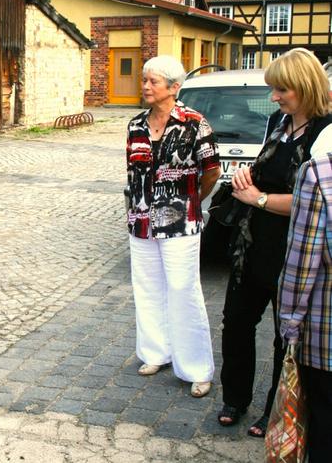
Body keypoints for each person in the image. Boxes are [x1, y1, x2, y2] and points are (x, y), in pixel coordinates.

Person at [217, 48, 332, 437]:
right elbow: (268, 171)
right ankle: (235, 397)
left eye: (281, 89)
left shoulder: (326, 131)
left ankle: (276, 409)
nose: (275, 97)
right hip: (253, 243)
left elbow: (313, 199)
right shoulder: (280, 122)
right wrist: (247, 179)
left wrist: (260, 199)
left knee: (286, 338)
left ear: (304, 85)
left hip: (293, 248)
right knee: (236, 322)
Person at [126, 55, 220, 398]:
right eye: (145, 80)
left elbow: (211, 171)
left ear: (174, 87)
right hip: (141, 222)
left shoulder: (194, 123)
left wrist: (192, 202)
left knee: (183, 290)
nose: (146, 86)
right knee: (147, 288)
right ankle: (155, 353)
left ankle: (196, 368)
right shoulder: (135, 125)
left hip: (181, 222)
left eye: (153, 81)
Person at [278, 129, 332, 462]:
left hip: (325, 340)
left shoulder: (320, 173)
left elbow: (301, 265)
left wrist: (290, 328)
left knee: (325, 429)